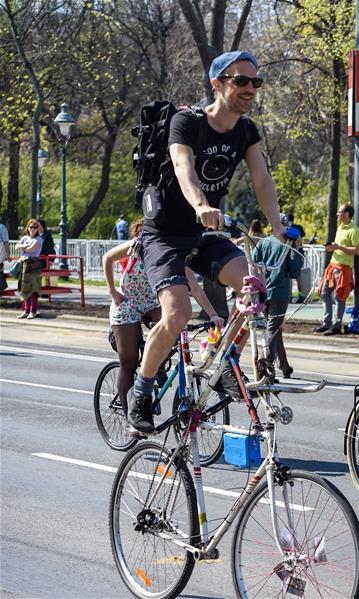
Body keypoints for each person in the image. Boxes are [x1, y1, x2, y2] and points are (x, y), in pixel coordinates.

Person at [128, 50, 286, 434]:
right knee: (177, 315)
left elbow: (261, 179)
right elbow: (183, 167)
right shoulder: (187, 122)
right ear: (218, 84)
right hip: (164, 235)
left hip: (202, 234)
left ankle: (221, 352)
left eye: (255, 82)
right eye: (240, 81)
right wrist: (200, 204)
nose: (250, 89)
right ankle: (141, 391)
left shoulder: (246, 132)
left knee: (255, 287)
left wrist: (278, 228)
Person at [103, 219, 224, 417]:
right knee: (129, 362)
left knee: (174, 329)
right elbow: (108, 258)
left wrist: (213, 314)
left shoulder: (172, 253)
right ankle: (131, 417)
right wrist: (112, 291)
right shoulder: (139, 244)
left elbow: (193, 286)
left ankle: (153, 367)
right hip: (128, 304)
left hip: (152, 303)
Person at [252, 223, 302, 378]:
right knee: (273, 329)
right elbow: (294, 272)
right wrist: (299, 248)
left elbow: (252, 262)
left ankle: (284, 366)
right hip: (279, 293)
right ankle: (266, 365)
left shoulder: (263, 242)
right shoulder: (290, 247)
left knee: (273, 329)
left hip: (261, 290)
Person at [317, 203, 359, 336]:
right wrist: (331, 248)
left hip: (343, 268)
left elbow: (358, 250)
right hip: (332, 266)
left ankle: (337, 325)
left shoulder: (354, 230)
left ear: (347, 214)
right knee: (324, 293)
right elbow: (338, 247)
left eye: (340, 212)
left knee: (339, 296)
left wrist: (339, 248)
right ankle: (327, 323)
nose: (337, 214)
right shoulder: (340, 228)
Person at [15, 219, 43, 319]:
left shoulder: (39, 239)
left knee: (33, 288)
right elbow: (16, 247)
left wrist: (23, 247)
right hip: (24, 264)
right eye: (31, 227)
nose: (33, 229)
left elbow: (32, 249)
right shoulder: (25, 237)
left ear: (37, 229)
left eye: (35, 227)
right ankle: (26, 310)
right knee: (24, 287)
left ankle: (33, 311)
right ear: (28, 227)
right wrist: (26, 246)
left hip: (34, 264)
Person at [0, 221, 9, 293]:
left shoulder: (2, 227)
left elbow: (6, 242)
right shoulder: (2, 227)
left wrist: (8, 255)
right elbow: (6, 242)